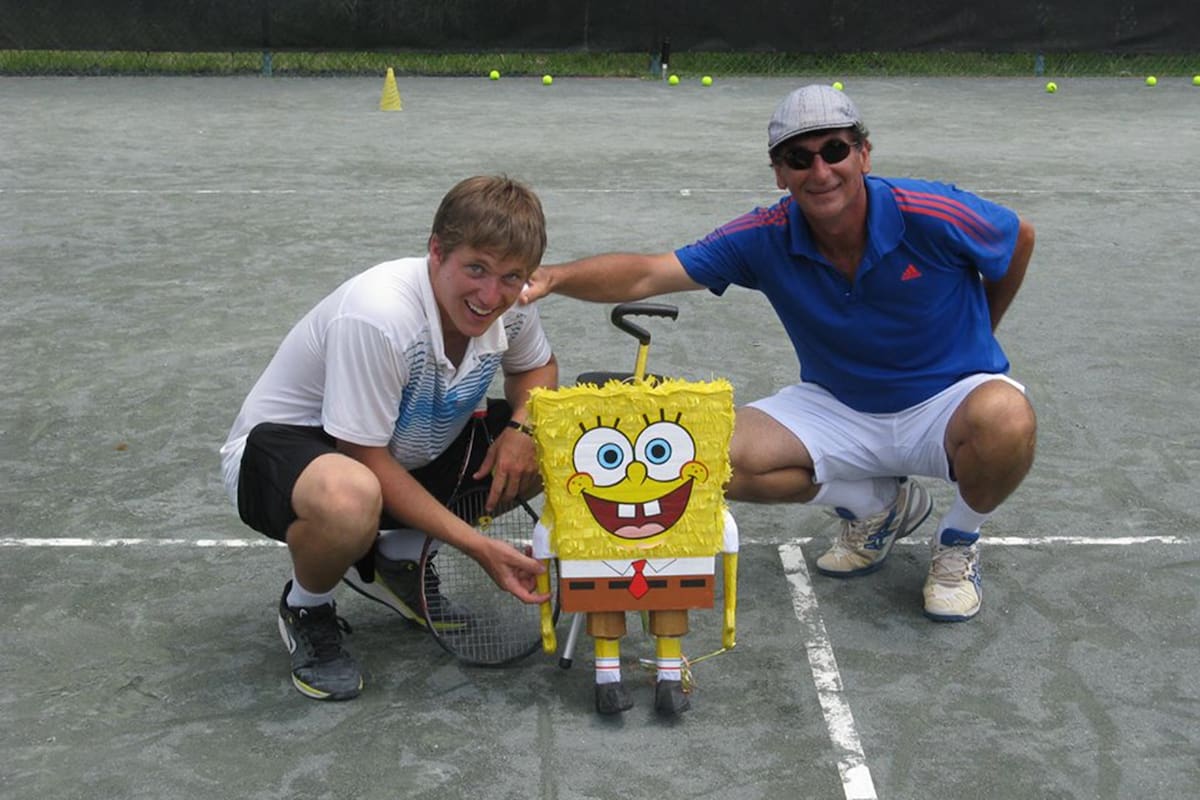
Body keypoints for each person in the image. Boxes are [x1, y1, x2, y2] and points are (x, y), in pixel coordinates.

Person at [522, 85, 1036, 623]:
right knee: (701, 458)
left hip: (945, 402)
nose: (820, 171)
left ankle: (958, 539)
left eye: (834, 150)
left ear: (863, 152)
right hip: (838, 405)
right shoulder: (763, 236)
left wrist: (983, 336)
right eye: (799, 158)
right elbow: (652, 272)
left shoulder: (929, 211)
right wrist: (555, 278)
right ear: (779, 172)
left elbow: (1016, 238)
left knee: (1005, 416)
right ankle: (877, 508)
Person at [220, 175, 557, 701]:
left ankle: (400, 560)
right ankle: (307, 605)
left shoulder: (511, 307)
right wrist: (477, 547)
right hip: (287, 454)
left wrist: (524, 426)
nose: (491, 295)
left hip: (405, 446)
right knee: (351, 497)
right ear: (436, 251)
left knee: (555, 438)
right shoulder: (381, 316)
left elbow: (537, 369)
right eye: (476, 269)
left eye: (511, 276)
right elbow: (364, 458)